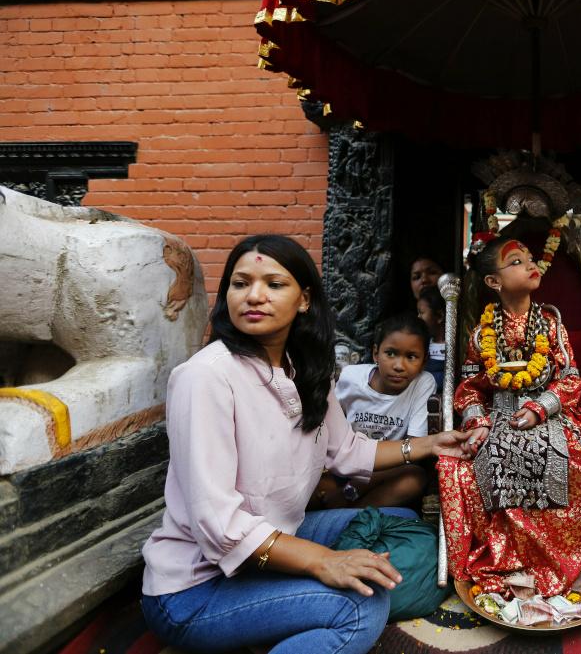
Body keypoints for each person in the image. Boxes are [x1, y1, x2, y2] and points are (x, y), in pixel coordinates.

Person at [140, 235, 471, 654]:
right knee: (360, 609)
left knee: (403, 525)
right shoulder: (205, 377)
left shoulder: (305, 371)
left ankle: (287, 607)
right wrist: (323, 562)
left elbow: (349, 452)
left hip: (278, 536)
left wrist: (428, 446)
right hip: (196, 588)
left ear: (303, 299)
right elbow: (220, 525)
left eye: (274, 284)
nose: (254, 296)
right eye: (240, 284)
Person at [437, 236, 581, 597]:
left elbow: (570, 378)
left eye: (531, 257)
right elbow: (470, 385)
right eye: (517, 261)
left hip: (552, 413)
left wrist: (541, 407)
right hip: (498, 414)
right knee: (463, 463)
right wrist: (477, 422)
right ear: (494, 282)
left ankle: (550, 562)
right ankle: (506, 560)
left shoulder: (551, 325)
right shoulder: (482, 333)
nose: (531, 264)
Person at [329, 313, 437, 508]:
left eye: (411, 357)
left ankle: (356, 512)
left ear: (424, 361)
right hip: (344, 463)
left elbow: (414, 447)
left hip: (388, 468)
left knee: (414, 478)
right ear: (375, 353)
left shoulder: (423, 383)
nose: (398, 366)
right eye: (391, 353)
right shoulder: (350, 377)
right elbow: (329, 429)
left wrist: (360, 484)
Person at [417, 286, 447, 391]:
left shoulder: (456, 347)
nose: (418, 318)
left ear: (439, 316)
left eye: (421, 313)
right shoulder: (422, 345)